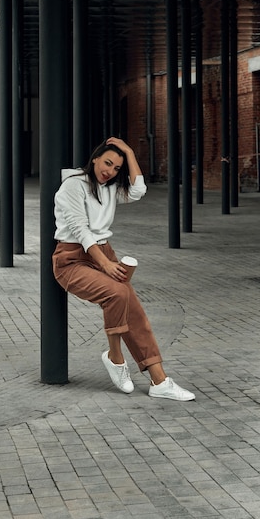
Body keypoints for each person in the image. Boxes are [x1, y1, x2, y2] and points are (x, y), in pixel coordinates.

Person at [52, 137, 195, 401]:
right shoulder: (72, 186)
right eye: (107, 163)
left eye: (117, 168)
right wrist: (104, 263)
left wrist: (129, 152)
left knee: (135, 312)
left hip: (104, 252)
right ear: (95, 158)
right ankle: (115, 357)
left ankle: (159, 380)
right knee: (118, 295)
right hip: (72, 259)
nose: (110, 171)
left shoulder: (110, 188)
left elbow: (139, 190)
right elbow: (79, 229)